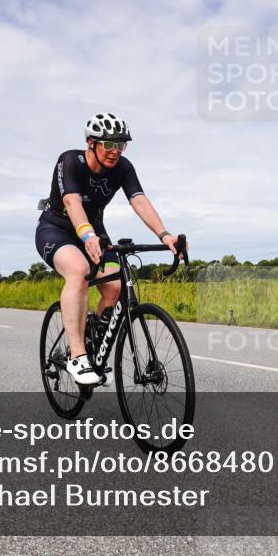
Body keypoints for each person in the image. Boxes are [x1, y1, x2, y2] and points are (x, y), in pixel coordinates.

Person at [35, 113, 184, 385]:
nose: (115, 152)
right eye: (108, 145)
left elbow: (139, 200)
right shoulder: (70, 161)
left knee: (115, 288)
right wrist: (86, 234)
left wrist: (165, 235)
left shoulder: (123, 167)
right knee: (78, 271)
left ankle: (94, 342)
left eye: (121, 145)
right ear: (91, 143)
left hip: (95, 232)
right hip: (57, 229)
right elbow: (71, 202)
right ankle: (78, 356)